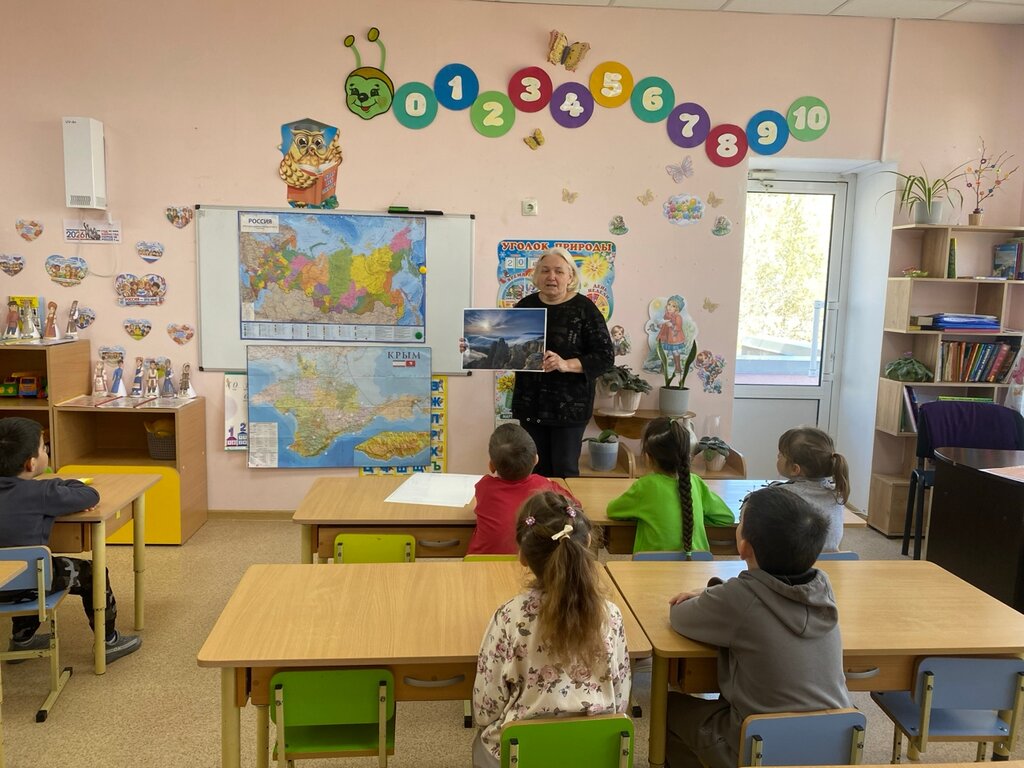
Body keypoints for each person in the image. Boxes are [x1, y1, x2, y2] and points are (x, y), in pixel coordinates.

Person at [664, 485, 849, 768]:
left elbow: (680, 616)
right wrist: (718, 592)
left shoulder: (739, 599)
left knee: (669, 708)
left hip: (758, 748)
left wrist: (711, 594)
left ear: (743, 547)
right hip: (830, 745)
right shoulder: (823, 586)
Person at [472, 492, 631, 768]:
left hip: (521, 756)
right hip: (594, 754)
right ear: (588, 541)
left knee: (482, 742)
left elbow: (485, 709)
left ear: (522, 556)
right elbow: (621, 698)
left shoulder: (509, 617)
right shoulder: (611, 615)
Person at [0, 417, 142, 664]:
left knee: (29, 566)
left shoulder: (38, 491)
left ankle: (21, 642)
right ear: (31, 463)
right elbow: (90, 495)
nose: (46, 451)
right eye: (44, 448)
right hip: (27, 584)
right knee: (90, 573)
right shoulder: (42, 492)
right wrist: (58, 483)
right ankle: (108, 642)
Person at [510, 247, 614, 477]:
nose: (551, 276)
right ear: (537, 275)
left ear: (570, 276)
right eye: (545, 270)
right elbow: (509, 346)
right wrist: (474, 346)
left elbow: (605, 357)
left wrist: (566, 364)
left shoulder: (585, 309)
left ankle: (564, 504)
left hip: (569, 409)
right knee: (534, 472)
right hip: (531, 405)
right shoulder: (525, 306)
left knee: (565, 472)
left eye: (559, 271)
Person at [607, 416, 735, 553]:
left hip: (650, 565)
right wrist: (692, 517)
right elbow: (726, 517)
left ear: (648, 457)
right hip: (697, 564)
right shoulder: (696, 483)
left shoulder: (645, 486)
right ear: (686, 455)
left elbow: (613, 510)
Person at [467, 424, 578, 555]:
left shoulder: (484, 486)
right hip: (531, 562)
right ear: (536, 459)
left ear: (491, 466)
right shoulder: (544, 485)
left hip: (479, 561)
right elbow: (575, 506)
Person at [776, 427, 851, 552]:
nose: (778, 456)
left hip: (797, 562)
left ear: (795, 469)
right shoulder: (836, 493)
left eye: (781, 454)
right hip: (833, 561)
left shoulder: (784, 495)